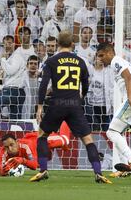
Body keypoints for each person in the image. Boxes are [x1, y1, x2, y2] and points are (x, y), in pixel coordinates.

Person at [30, 30, 111, 184]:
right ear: (72, 44)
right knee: (88, 139)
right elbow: (86, 84)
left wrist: (40, 106)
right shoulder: (80, 61)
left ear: (58, 44)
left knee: (42, 135)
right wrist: (82, 96)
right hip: (74, 104)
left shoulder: (52, 61)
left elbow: (43, 85)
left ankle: (43, 170)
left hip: (57, 104)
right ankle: (98, 172)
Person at [96, 43, 131, 169]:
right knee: (118, 133)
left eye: (102, 55)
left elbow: (128, 78)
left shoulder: (116, 61)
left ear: (109, 52)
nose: (100, 59)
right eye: (98, 56)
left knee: (112, 132)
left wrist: (129, 98)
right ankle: (126, 167)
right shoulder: (118, 63)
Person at [0, 122, 70, 176]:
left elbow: (35, 165)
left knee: (65, 140)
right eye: (7, 147)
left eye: (12, 145)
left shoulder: (26, 146)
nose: (10, 149)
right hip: (38, 151)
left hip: (41, 140)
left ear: (17, 142)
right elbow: (0, 170)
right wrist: (4, 170)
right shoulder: (3, 150)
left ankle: (65, 119)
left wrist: (22, 160)